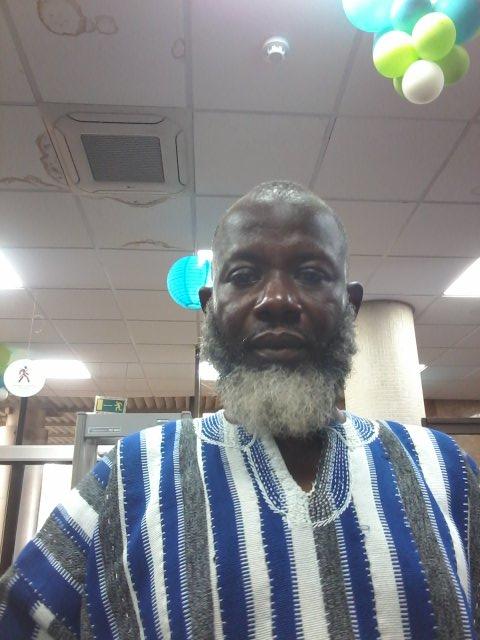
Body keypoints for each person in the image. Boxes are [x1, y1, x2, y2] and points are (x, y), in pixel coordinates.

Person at [0, 180, 479, 639]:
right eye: (244, 276)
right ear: (210, 307)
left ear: (350, 305)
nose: (277, 300)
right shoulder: (129, 476)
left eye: (311, 275)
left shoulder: (445, 469)